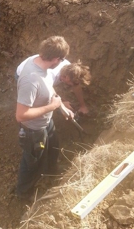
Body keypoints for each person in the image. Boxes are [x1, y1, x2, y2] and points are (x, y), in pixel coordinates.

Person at [15, 36, 71, 200]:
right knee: (32, 162)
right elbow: (20, 115)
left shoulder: (42, 66)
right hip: (33, 129)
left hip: (46, 121)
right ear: (55, 59)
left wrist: (60, 105)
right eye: (61, 59)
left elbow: (47, 88)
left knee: (53, 146)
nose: (62, 62)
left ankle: (51, 173)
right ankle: (23, 193)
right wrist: (51, 107)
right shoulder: (30, 80)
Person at [16, 55, 91, 115]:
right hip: (23, 72)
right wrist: (61, 105)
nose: (72, 85)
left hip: (35, 67)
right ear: (66, 77)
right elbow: (48, 93)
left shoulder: (70, 68)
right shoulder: (50, 75)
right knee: (38, 99)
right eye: (71, 83)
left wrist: (82, 106)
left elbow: (76, 86)